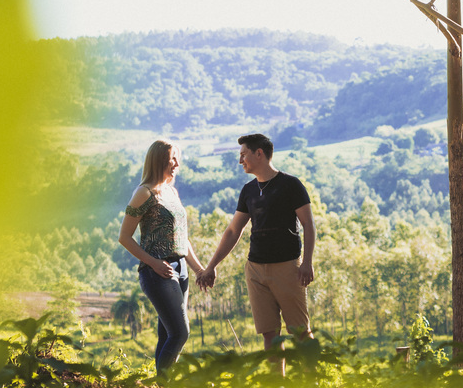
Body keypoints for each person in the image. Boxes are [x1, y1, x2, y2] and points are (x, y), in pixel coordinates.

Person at [198, 133, 315, 355]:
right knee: (270, 335)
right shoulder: (248, 190)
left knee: (300, 332)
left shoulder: (291, 185)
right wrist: (211, 266)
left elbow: (308, 224)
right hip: (255, 270)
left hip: (287, 268)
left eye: (243, 155)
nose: (240, 161)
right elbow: (233, 231)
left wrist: (307, 262)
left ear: (258, 153)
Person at [118, 139, 205, 374]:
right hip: (158, 272)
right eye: (172, 159)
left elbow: (182, 237)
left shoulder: (171, 191)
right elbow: (124, 237)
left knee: (167, 335)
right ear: (159, 161)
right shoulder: (143, 193)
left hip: (181, 268)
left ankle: (163, 380)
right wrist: (154, 263)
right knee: (180, 333)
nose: (177, 163)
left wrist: (198, 270)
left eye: (177, 158)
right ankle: (165, 383)